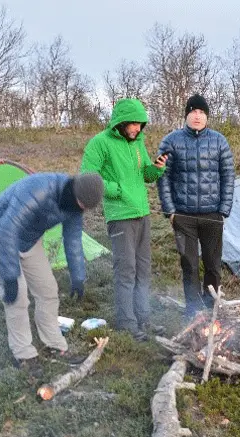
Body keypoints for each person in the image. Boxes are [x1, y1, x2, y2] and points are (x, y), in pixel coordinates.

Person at [0, 173, 105, 377]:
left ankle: (54, 344)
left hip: (28, 240)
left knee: (48, 291)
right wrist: (10, 276)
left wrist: (78, 276)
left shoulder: (75, 205)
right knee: (17, 298)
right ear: (74, 192)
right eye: (82, 204)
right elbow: (8, 229)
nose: (83, 209)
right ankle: (24, 354)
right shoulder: (38, 190)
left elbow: (73, 240)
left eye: (87, 207)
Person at [81, 98, 168, 342]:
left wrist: (157, 168)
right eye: (133, 124)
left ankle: (144, 317)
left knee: (143, 269)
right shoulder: (100, 143)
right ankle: (126, 322)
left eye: (141, 125)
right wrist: (116, 190)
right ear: (120, 122)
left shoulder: (138, 143)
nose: (137, 129)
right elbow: (88, 176)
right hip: (120, 217)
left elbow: (145, 176)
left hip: (142, 215)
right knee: (126, 269)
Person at [157, 94, 235, 319]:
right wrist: (170, 211)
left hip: (212, 215)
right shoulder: (171, 141)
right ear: (187, 115)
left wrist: (223, 210)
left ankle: (212, 309)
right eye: (193, 111)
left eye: (201, 112)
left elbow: (228, 175)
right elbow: (163, 178)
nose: (197, 116)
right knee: (189, 266)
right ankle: (192, 312)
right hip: (184, 216)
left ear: (207, 116)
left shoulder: (219, 141)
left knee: (213, 264)